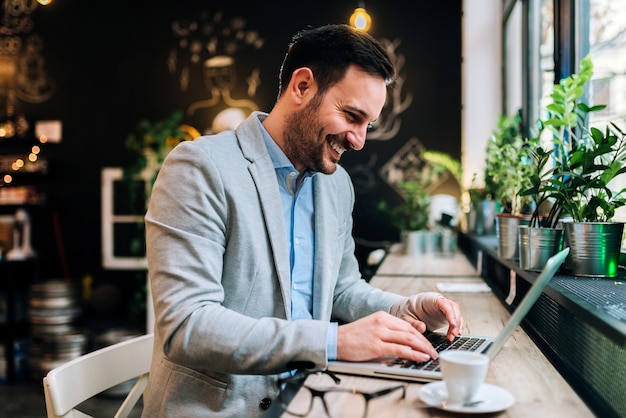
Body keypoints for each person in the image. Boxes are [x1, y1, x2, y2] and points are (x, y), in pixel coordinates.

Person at [142, 23, 464, 417]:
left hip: (307, 401)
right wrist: (332, 342)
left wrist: (407, 308)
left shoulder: (336, 185)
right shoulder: (198, 167)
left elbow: (343, 290)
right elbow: (186, 325)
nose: (359, 140)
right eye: (351, 115)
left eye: (368, 125)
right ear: (302, 87)